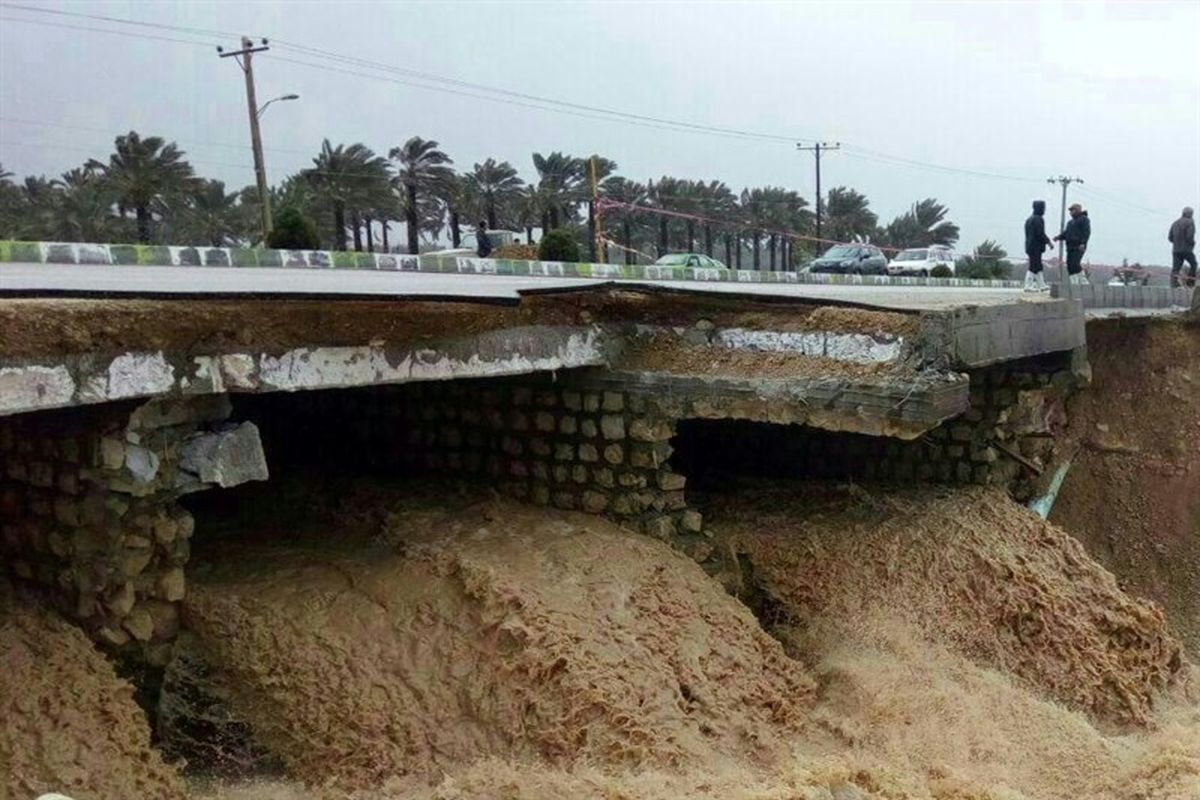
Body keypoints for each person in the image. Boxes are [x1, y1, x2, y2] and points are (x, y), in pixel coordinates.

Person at [1054, 203, 1091, 284]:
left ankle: (1083, 280)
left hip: (1079, 246)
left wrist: (1083, 243)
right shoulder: (1070, 222)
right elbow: (1066, 233)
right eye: (1070, 211)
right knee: (1069, 265)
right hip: (1070, 247)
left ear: (1077, 210)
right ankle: (1074, 282)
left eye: (1072, 210)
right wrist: (1058, 237)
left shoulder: (1084, 219)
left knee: (1075, 263)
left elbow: (1086, 232)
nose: (1071, 212)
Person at [1023, 199, 1053, 292]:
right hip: (1035, 246)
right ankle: (1028, 285)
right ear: (1040, 208)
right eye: (1043, 208)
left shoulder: (1029, 219)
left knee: (1038, 266)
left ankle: (1041, 285)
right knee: (1033, 266)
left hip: (1029, 245)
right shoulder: (1038, 219)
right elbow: (1040, 234)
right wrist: (1049, 242)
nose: (1044, 210)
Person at [1168, 207, 1196, 288]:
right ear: (1189, 214)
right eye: (1192, 213)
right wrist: (1192, 243)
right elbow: (1189, 236)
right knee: (1193, 264)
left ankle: (1173, 284)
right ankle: (1190, 283)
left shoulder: (1175, 223)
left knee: (1175, 268)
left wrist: (1177, 242)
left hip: (1176, 249)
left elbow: (1170, 237)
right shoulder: (1190, 222)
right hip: (1186, 249)